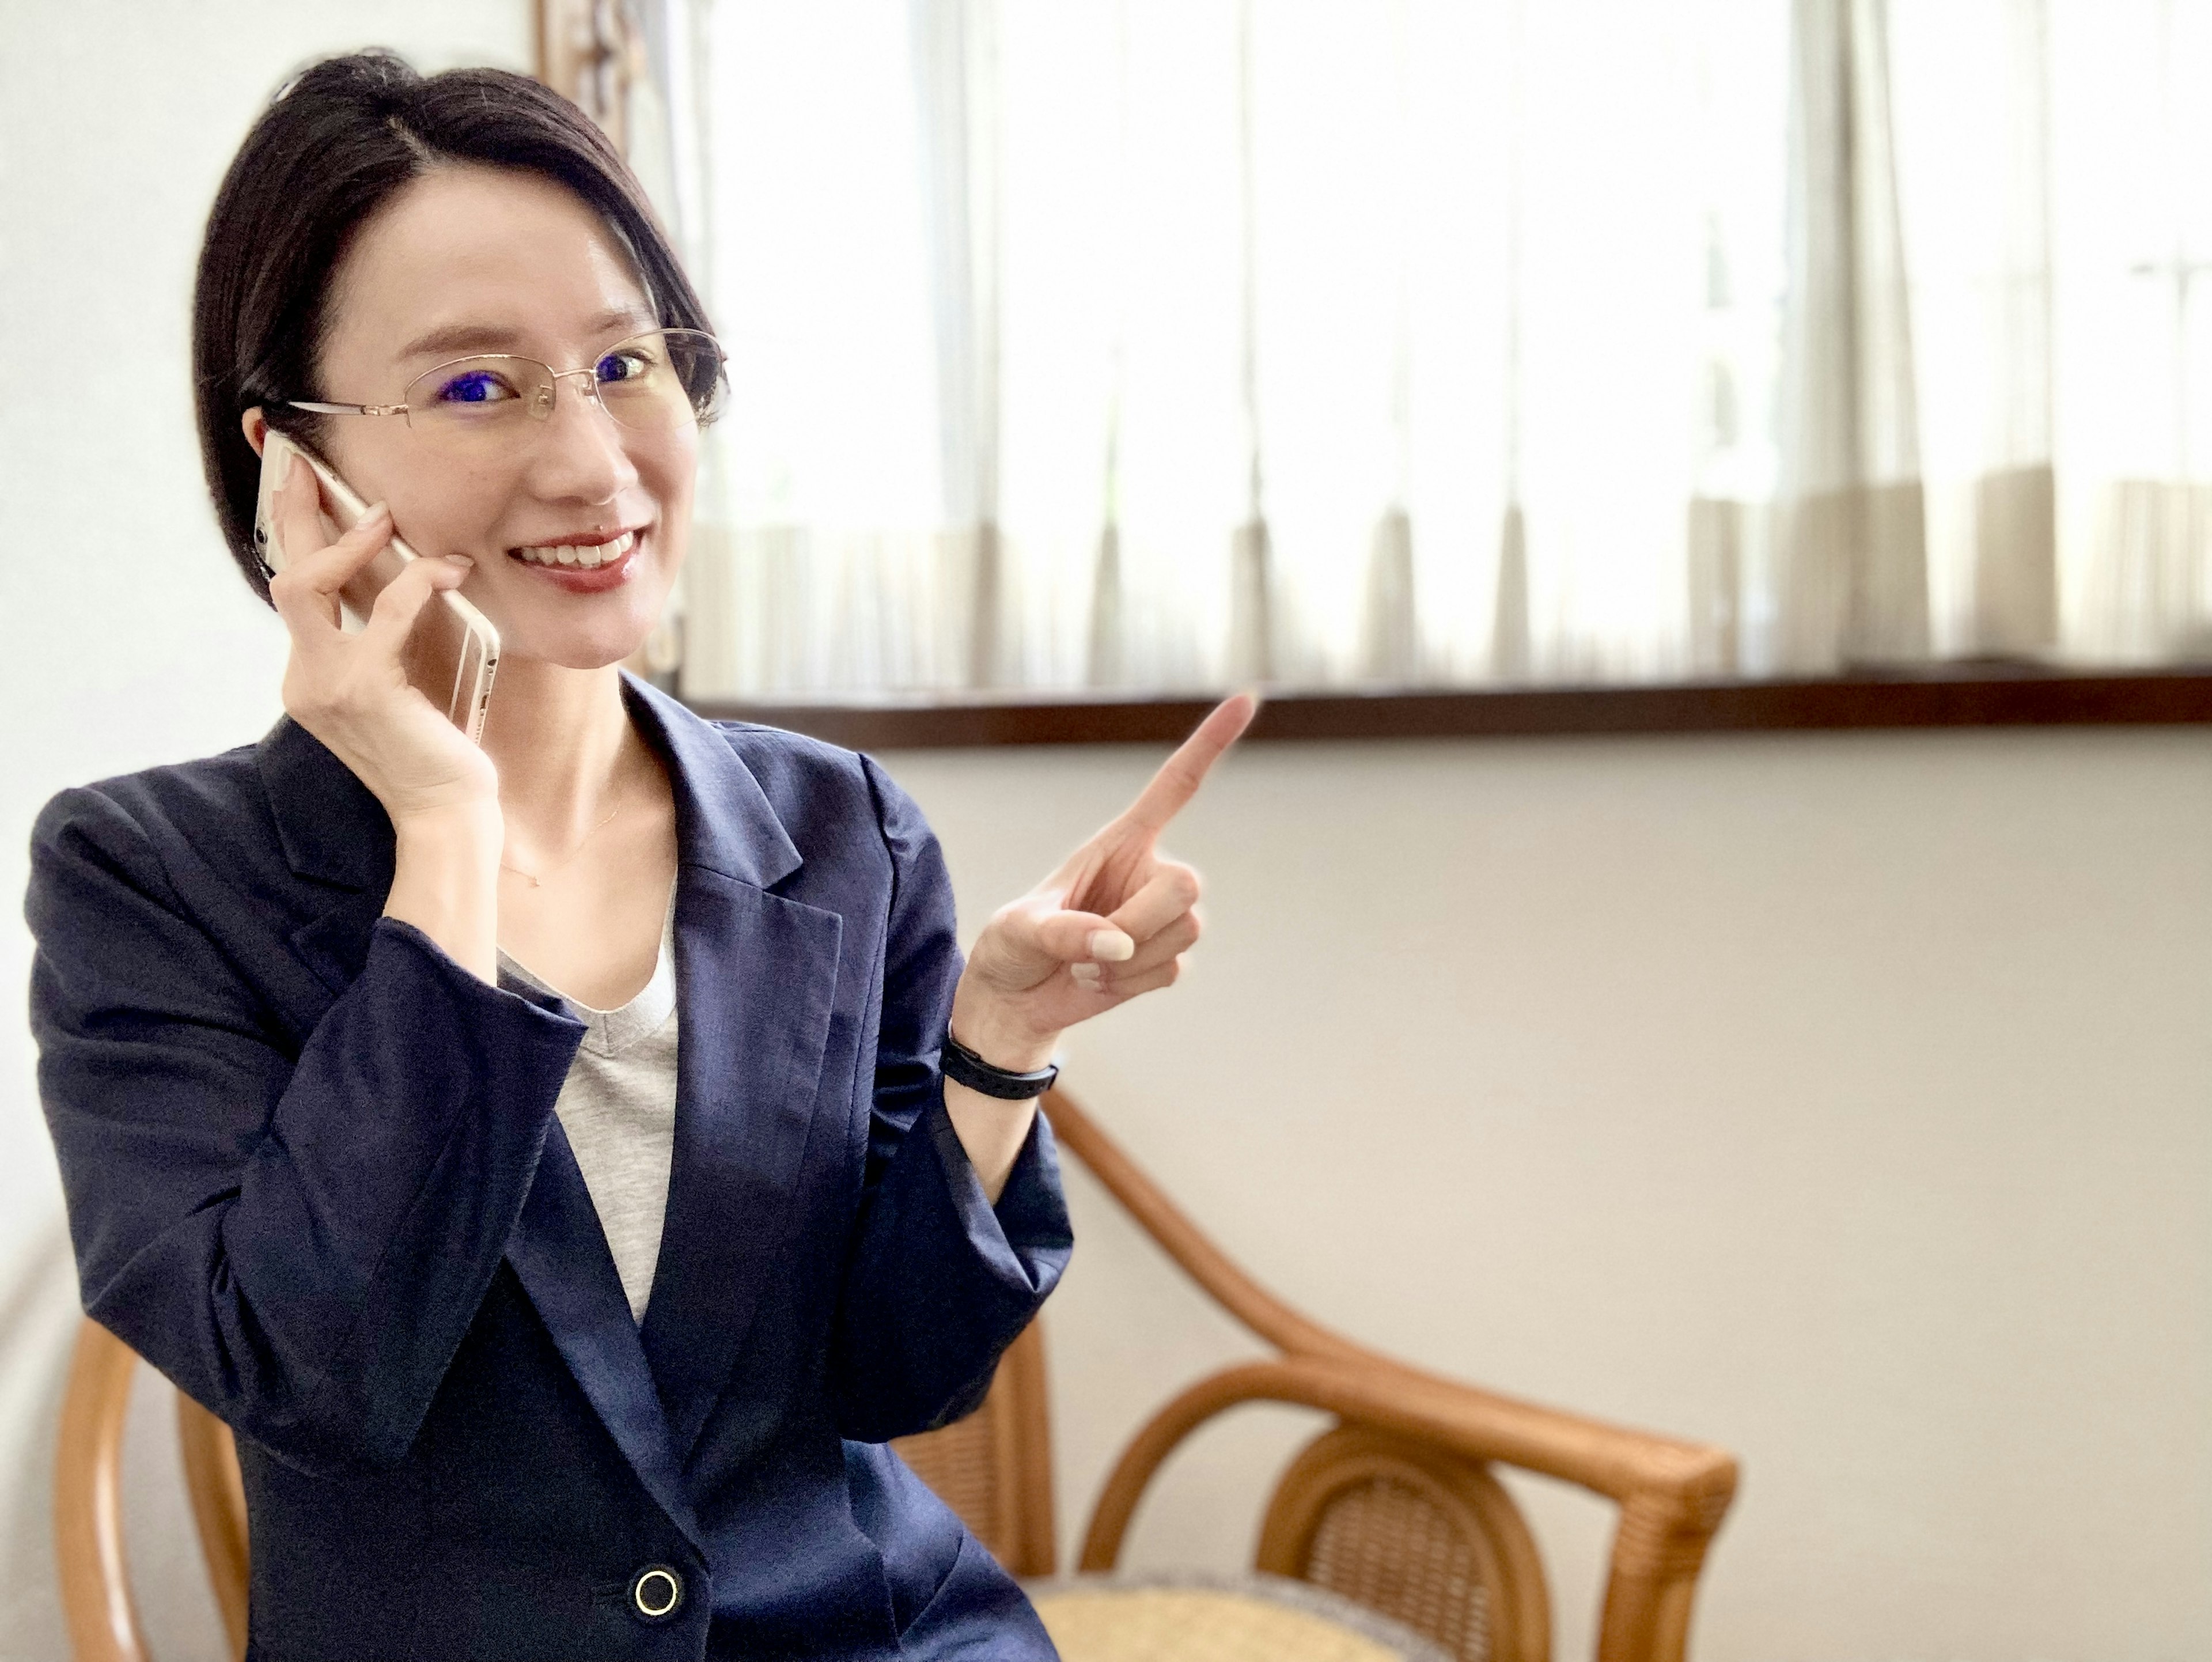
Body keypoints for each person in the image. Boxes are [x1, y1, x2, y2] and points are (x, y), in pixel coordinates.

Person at [26, 52, 1249, 1661]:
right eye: (478, 386)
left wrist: (1002, 1044)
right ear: (290, 464)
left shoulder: (840, 833)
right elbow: (325, 1371)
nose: (594, 464)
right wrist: (445, 827)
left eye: (626, 362)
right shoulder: (151, 879)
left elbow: (896, 1377)